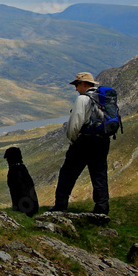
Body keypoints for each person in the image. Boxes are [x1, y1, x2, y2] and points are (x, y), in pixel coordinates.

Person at [52, 72, 110, 214]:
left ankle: (60, 205)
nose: (76, 89)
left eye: (77, 85)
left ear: (84, 84)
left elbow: (74, 125)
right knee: (99, 175)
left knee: (68, 173)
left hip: (85, 142)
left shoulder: (83, 99)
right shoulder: (102, 99)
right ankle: (102, 209)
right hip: (102, 141)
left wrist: (73, 141)